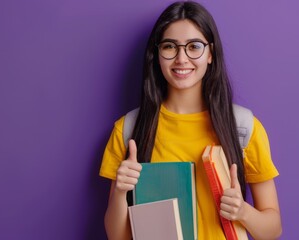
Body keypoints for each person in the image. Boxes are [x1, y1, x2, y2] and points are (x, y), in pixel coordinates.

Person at [99, 1, 282, 240]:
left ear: (210, 54)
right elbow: (117, 236)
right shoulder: (129, 130)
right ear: (157, 55)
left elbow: (273, 229)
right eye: (169, 47)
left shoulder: (244, 128)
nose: (181, 58)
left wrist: (243, 212)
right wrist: (121, 192)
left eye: (194, 46)